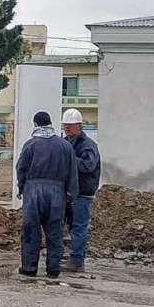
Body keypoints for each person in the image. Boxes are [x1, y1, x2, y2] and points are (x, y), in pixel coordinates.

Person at [15, 111, 79, 278]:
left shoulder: (30, 145)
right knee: (55, 231)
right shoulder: (65, 146)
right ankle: (53, 269)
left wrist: (21, 187)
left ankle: (29, 268)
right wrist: (71, 195)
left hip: (33, 191)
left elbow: (21, 168)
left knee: (31, 230)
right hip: (57, 193)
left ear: (35, 124)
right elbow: (73, 173)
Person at [60, 108, 101, 273]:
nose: (67, 128)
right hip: (70, 192)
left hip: (82, 193)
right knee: (69, 226)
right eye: (65, 125)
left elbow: (88, 165)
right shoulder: (66, 143)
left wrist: (69, 160)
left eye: (70, 125)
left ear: (79, 126)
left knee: (78, 227)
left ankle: (77, 261)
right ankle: (71, 257)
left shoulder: (87, 145)